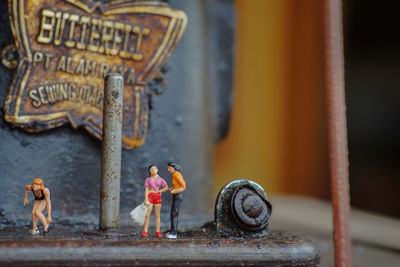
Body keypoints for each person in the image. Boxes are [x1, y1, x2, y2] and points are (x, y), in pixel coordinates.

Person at [142, 165, 169, 238]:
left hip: (157, 197)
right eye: (152, 169)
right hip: (150, 196)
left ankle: (158, 231)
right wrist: (146, 198)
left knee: (157, 215)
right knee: (147, 215)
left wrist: (160, 191)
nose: (153, 170)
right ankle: (145, 230)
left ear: (157, 170)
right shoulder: (148, 179)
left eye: (155, 169)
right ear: (149, 171)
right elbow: (147, 189)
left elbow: (166, 187)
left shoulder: (160, 179)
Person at [166, 162, 186, 239]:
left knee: (174, 214)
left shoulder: (177, 175)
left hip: (178, 196)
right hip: (176, 195)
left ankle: (174, 233)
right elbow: (178, 185)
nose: (168, 170)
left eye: (169, 168)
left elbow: (183, 186)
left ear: (173, 168)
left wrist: (175, 191)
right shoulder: (175, 175)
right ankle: (172, 231)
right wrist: (173, 188)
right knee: (173, 214)